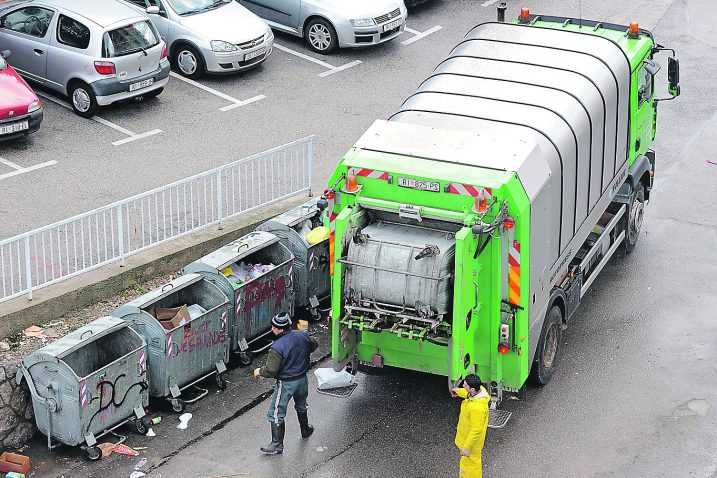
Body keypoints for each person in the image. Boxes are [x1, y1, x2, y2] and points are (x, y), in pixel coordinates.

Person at [253, 312, 319, 454]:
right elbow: (314, 344)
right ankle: (305, 429)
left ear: (280, 329)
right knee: (301, 405)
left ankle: (277, 444)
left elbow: (271, 370)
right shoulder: (302, 335)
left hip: (286, 384)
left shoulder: (277, 347)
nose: (272, 329)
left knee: (276, 412)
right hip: (302, 380)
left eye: (274, 327)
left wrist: (259, 371)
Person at [451, 374, 490, 478]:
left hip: (471, 444)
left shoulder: (477, 408)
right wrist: (458, 391)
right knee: (466, 464)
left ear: (472, 389)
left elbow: (476, 430)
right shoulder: (477, 391)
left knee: (472, 467)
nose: (463, 385)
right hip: (467, 439)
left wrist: (466, 447)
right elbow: (467, 394)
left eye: (465, 385)